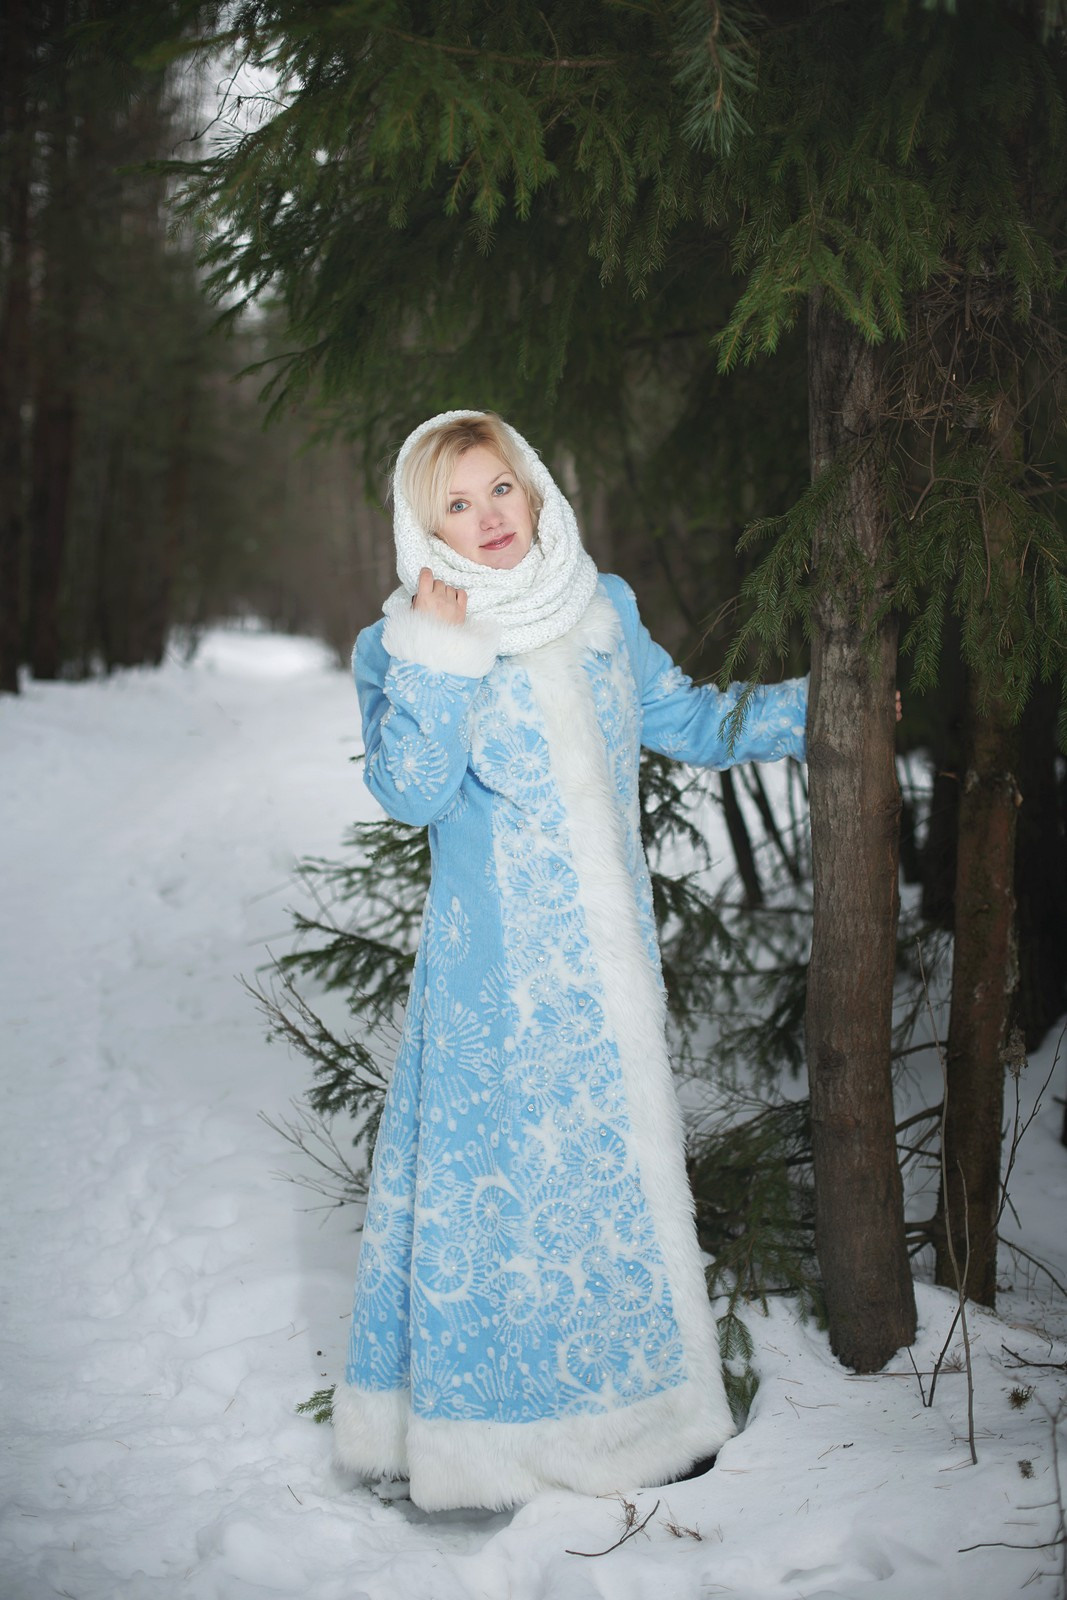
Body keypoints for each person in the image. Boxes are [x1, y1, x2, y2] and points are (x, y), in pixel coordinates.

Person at [332, 410, 807, 1512]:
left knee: (607, 1195)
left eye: (499, 488)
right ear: (422, 525)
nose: (486, 516)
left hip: (604, 978)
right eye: (456, 502)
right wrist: (443, 656)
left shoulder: (602, 608)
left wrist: (812, 708)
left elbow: (681, 715)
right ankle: (486, 1446)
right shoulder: (395, 640)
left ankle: (634, 1425)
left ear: (536, 489)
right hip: (489, 984)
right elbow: (408, 789)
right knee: (503, 1209)